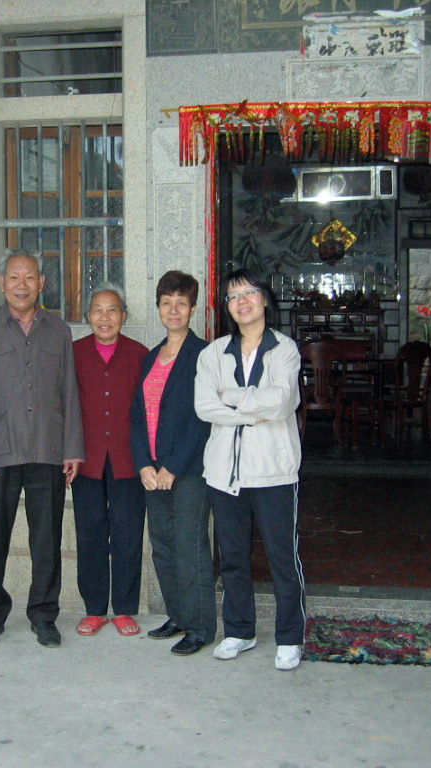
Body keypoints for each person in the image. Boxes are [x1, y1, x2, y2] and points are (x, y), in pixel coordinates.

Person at [0, 250, 84, 648]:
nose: (21, 285)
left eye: (29, 277)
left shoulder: (58, 331)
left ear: (41, 283)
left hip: (47, 450)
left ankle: (44, 615)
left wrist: (72, 449)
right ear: (1, 283)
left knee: (46, 541)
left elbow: (69, 392)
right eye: (14, 277)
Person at [194, 268, 306, 670]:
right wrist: (250, 410)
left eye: (249, 293)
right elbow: (204, 407)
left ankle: (290, 637)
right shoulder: (213, 353)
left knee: (282, 557)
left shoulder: (285, 349)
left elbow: (283, 402)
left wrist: (232, 397)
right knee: (233, 557)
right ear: (226, 307)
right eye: (232, 296)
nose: (241, 302)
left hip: (274, 471)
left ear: (264, 299)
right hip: (224, 473)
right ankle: (239, 631)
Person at [130, 270, 215, 656]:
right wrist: (143, 464)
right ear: (159, 307)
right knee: (162, 545)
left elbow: (202, 418)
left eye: (181, 303)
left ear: (193, 308)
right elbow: (137, 415)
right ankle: (178, 616)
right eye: (167, 303)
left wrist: (172, 467)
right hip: (153, 471)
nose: (174, 310)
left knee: (190, 546)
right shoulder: (151, 357)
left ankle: (200, 626)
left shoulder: (204, 355)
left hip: (189, 470)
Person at [71, 284, 148, 637]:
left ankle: (125, 609)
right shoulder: (74, 353)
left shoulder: (139, 355)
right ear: (88, 316)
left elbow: (147, 412)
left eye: (112, 310)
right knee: (90, 535)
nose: (105, 317)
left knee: (127, 535)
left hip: (127, 459)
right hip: (85, 460)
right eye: (98, 310)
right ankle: (94, 609)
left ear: (123, 316)